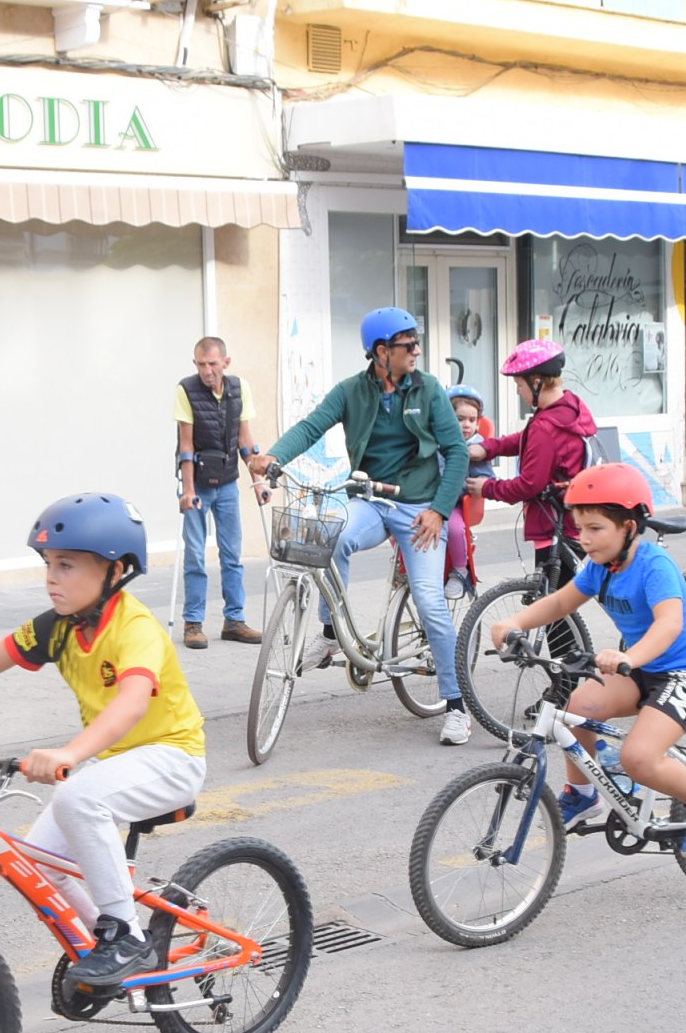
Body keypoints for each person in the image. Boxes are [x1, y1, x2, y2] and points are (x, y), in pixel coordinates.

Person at [0, 494, 203, 987]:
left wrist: (70, 753)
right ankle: (109, 950)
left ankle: (126, 938)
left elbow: (131, 702)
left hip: (171, 757)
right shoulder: (59, 628)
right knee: (36, 862)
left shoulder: (135, 628)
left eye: (66, 565)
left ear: (115, 571)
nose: (51, 577)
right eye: (48, 564)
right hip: (110, 763)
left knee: (77, 795)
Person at [484, 464, 686, 855]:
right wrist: (514, 621)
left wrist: (627, 656)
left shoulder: (653, 565)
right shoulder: (601, 567)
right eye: (579, 528)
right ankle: (585, 794)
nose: (583, 539)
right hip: (640, 669)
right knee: (577, 707)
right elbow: (561, 601)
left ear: (630, 527)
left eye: (595, 528)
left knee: (637, 758)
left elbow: (669, 625)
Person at [248, 307, 471, 746]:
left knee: (429, 601)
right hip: (369, 500)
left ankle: (457, 704)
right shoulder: (352, 391)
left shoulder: (430, 391)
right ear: (381, 352)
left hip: (420, 510)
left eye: (416, 343)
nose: (418, 351)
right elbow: (312, 426)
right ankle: (332, 634)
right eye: (409, 345)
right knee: (332, 536)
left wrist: (440, 510)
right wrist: (273, 455)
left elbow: (457, 452)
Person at [469, 340, 598, 587]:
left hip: (556, 529)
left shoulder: (545, 426)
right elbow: (527, 440)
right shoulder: (568, 407)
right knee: (557, 612)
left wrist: (486, 487)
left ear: (537, 381)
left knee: (554, 615)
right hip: (575, 522)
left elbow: (528, 485)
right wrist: (487, 448)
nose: (518, 390)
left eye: (519, 384)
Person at [173, 336, 262, 650]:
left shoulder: (240, 388)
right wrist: (188, 491)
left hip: (226, 483)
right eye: (200, 364)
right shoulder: (186, 389)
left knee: (231, 555)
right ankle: (193, 622)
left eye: (212, 364)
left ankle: (234, 620)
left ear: (226, 362)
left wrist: (258, 481)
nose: (206, 371)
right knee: (196, 556)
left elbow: (246, 441)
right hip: (198, 482)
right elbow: (185, 445)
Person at [443, 382, 495, 596]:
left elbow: (487, 476)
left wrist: (473, 484)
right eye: (460, 419)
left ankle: (459, 570)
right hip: (435, 498)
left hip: (458, 503)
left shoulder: (476, 447)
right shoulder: (438, 442)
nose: (467, 425)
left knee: (454, 528)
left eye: (472, 420)